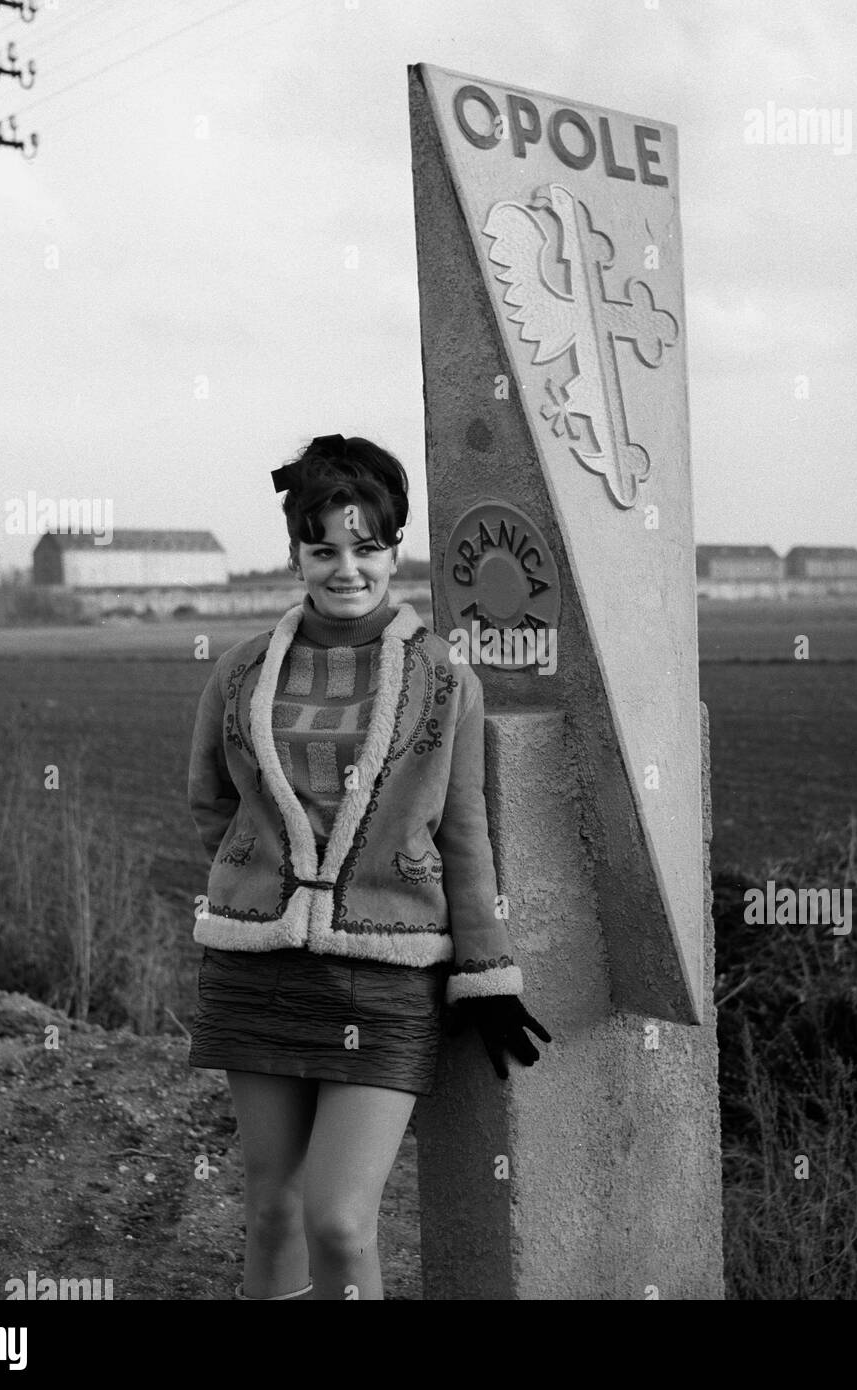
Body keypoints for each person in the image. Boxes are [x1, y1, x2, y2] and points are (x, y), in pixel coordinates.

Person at [186, 432, 550, 1301]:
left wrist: (485, 968)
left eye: (366, 548)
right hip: (255, 965)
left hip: (383, 975)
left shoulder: (442, 678)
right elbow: (209, 804)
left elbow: (464, 830)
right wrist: (260, 877)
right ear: (296, 555)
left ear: (394, 548)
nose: (345, 569)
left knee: (339, 1222)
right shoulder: (239, 673)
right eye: (323, 550)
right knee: (271, 1209)